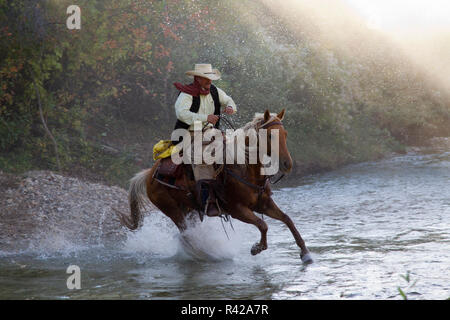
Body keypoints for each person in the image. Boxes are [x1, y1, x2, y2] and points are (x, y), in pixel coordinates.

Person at [173, 64, 237, 217]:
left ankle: (236, 192)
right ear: (198, 78)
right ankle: (208, 201)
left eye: (210, 78)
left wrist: (230, 107)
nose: (209, 81)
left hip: (211, 132)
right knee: (203, 159)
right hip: (189, 133)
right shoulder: (186, 94)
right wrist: (205, 118)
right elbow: (181, 113)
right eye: (206, 78)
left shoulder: (215, 91)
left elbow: (229, 100)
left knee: (235, 151)